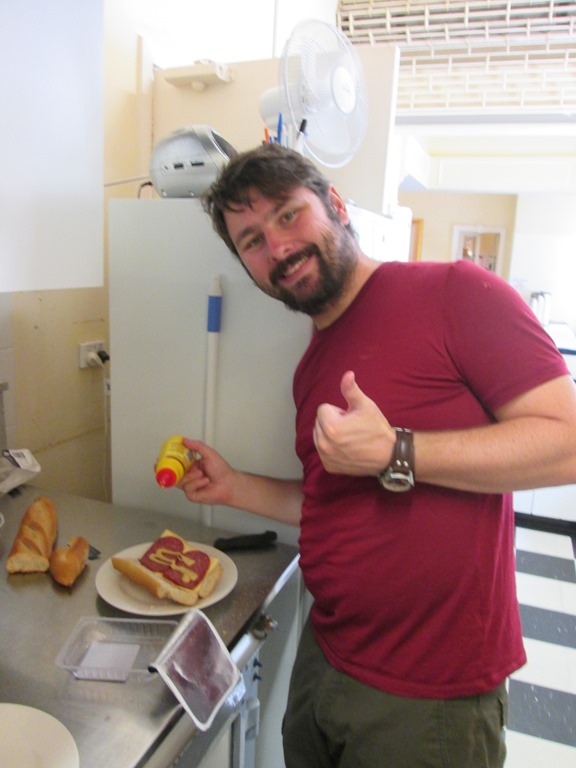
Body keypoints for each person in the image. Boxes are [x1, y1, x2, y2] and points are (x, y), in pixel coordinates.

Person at [178, 143, 576, 768]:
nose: (277, 247)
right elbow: (333, 501)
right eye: (251, 240)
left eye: (288, 214)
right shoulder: (312, 365)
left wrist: (397, 451)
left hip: (428, 695)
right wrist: (234, 486)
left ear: (335, 204)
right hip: (325, 660)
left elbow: (567, 443)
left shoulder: (455, 293)